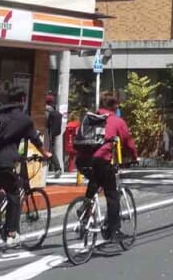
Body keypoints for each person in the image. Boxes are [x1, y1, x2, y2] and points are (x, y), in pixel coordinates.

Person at [0, 91, 52, 248]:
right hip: (3, 162)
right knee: (14, 193)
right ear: (23, 100)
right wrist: (46, 154)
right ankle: (11, 233)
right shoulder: (23, 119)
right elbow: (35, 139)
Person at [75, 93, 138, 242]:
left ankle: (85, 208)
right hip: (101, 160)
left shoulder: (90, 118)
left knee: (95, 180)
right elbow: (128, 141)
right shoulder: (117, 121)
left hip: (82, 161)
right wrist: (134, 157)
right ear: (114, 106)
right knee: (112, 194)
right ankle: (113, 231)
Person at [45, 93, 63, 178]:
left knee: (49, 151)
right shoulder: (53, 111)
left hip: (46, 134)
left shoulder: (45, 111)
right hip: (52, 134)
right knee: (50, 150)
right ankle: (56, 168)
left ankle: (57, 168)